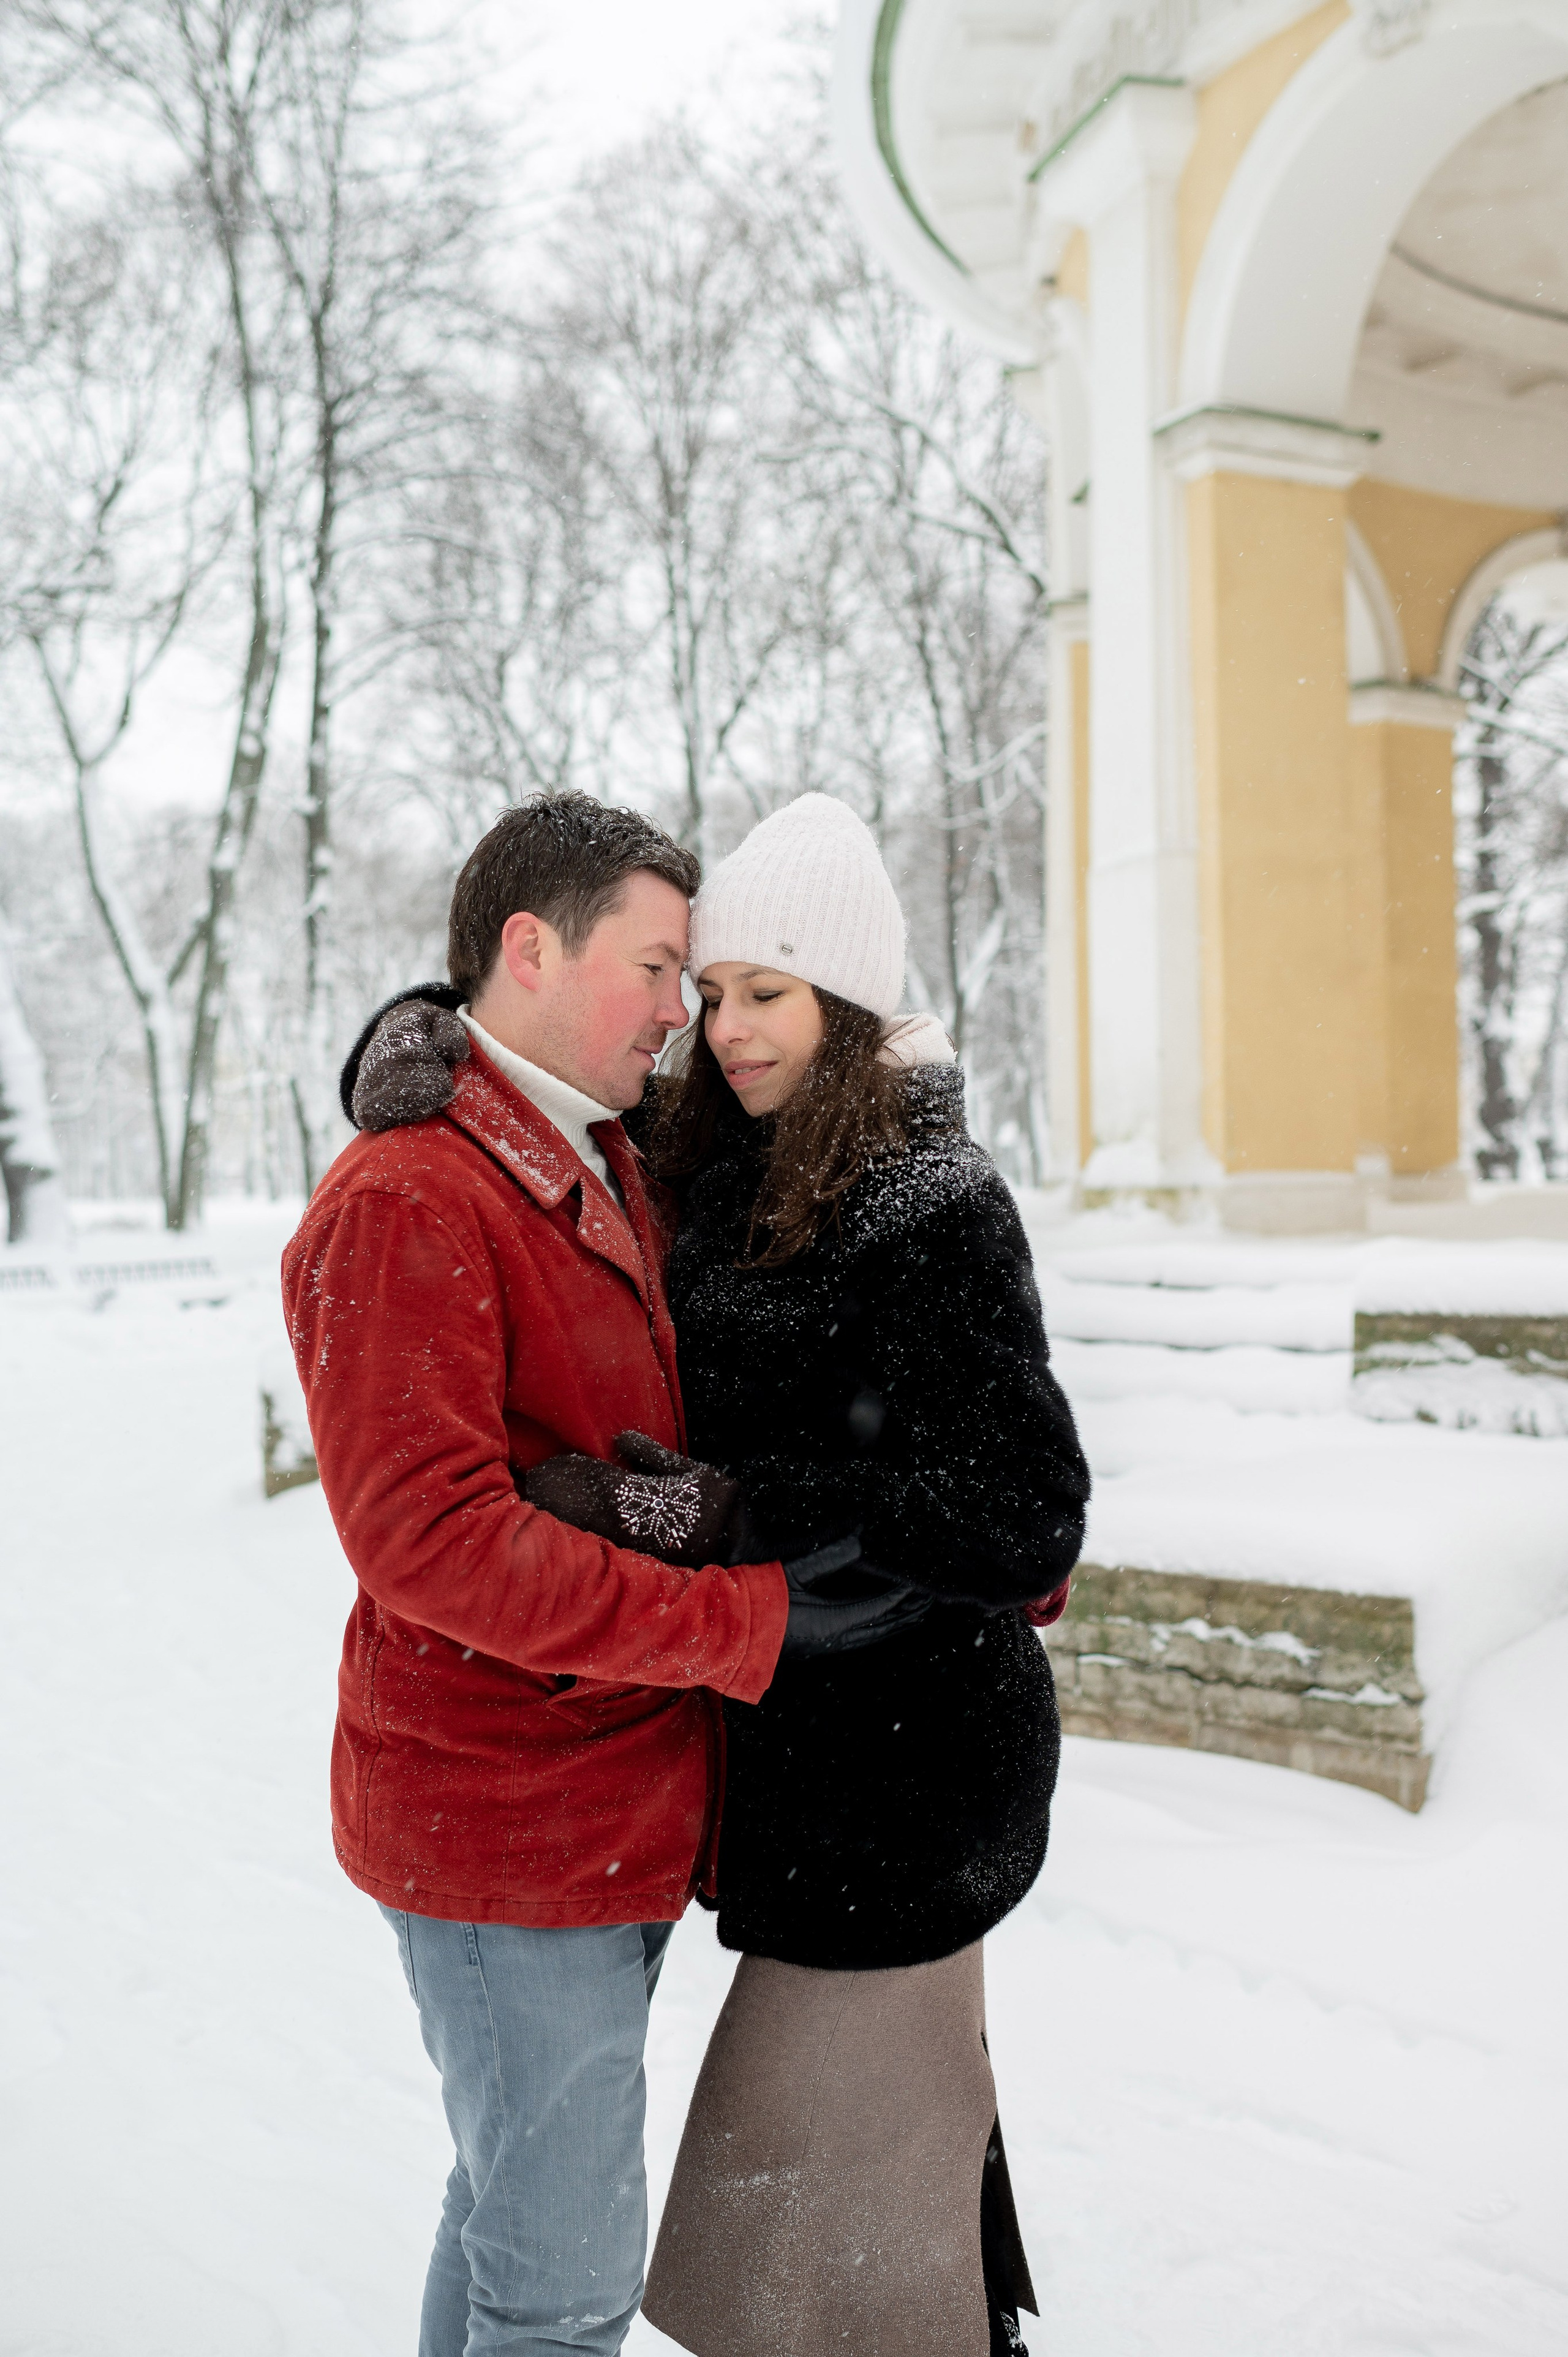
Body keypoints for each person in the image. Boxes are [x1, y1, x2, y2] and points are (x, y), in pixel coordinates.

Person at [349, 793, 1089, 2357]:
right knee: (829, 2216)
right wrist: (422, 1054)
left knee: (842, 2252)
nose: (720, 1023)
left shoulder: (925, 1201)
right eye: (706, 986)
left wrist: (735, 1515)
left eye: (767, 991)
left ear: (850, 1002)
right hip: (766, 1773)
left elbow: (1023, 1508)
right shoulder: (706, 1162)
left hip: (900, 1790)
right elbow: (530, 1105)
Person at [285, 796, 908, 2357]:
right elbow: (427, 1541)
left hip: (604, 1811)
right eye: (657, 969)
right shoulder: (409, 1196)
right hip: (506, 1824)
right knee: (562, 2290)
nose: (680, 1015)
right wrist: (739, 1622)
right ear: (529, 949)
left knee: (509, 2220)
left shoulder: (604, 1154)